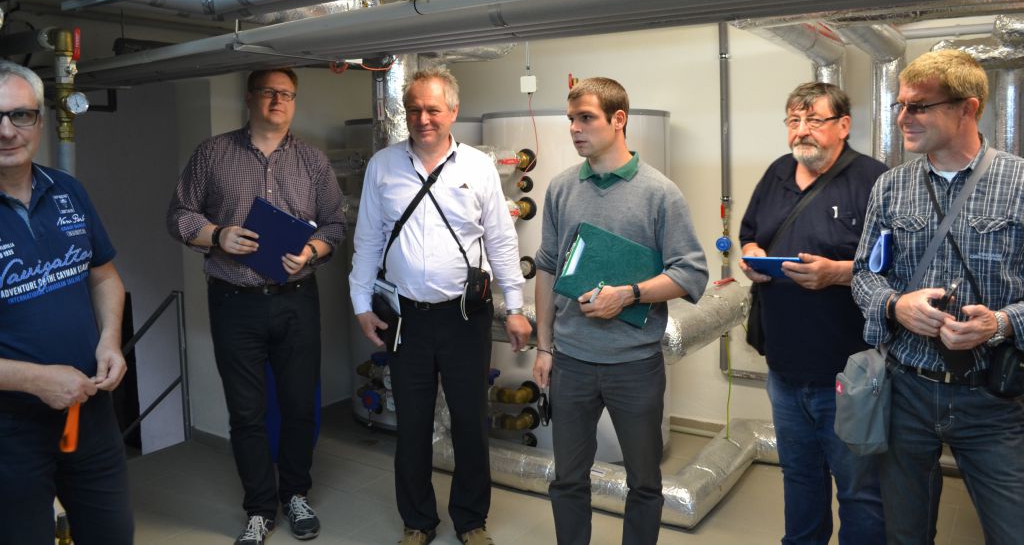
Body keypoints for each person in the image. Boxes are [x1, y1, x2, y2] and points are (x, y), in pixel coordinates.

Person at [349, 67, 531, 545]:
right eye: (414, 110)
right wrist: (361, 303)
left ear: (453, 111)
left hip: (464, 318)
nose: (423, 118)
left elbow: (501, 241)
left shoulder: (477, 167)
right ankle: (417, 522)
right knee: (411, 424)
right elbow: (367, 240)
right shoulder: (383, 166)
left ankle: (471, 521)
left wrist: (515, 306)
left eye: (432, 109)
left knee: (470, 422)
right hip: (405, 318)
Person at [852, 49, 1024, 544]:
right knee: (906, 534)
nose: (903, 117)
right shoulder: (890, 187)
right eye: (901, 105)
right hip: (906, 390)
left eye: (920, 106)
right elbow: (864, 275)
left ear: (968, 109)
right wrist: (895, 305)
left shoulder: (1018, 183)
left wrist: (1000, 323)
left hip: (991, 398)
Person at [167, 68, 345, 545]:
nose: (277, 100)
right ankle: (260, 509)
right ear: (250, 98)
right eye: (268, 92)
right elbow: (179, 214)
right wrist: (217, 235)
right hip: (234, 301)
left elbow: (334, 224)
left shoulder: (312, 161)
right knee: (246, 412)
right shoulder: (213, 153)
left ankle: (297, 494)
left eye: (286, 94)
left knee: (298, 405)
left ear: (294, 101)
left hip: (296, 300)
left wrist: (311, 252)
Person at [531, 77, 708, 545]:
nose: (575, 129)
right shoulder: (561, 188)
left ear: (618, 119)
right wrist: (544, 347)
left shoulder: (660, 193)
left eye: (586, 118)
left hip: (634, 365)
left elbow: (691, 274)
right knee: (567, 479)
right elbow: (546, 267)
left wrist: (628, 294)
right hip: (571, 362)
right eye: (571, 119)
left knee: (644, 483)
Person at [738, 82, 886, 544]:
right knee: (800, 478)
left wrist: (837, 273)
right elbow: (749, 233)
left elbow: (897, 266)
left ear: (843, 126)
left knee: (860, 492)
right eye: (794, 120)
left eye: (814, 120)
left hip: (849, 373)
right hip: (784, 368)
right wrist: (752, 255)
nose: (801, 130)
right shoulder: (777, 173)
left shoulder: (874, 180)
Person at [0, 61, 133, 544]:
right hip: (9, 431)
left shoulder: (68, 191)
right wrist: (35, 380)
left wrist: (110, 341)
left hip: (89, 412)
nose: (7, 131)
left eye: (21, 115)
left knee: (112, 534)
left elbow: (104, 277)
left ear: (40, 120)